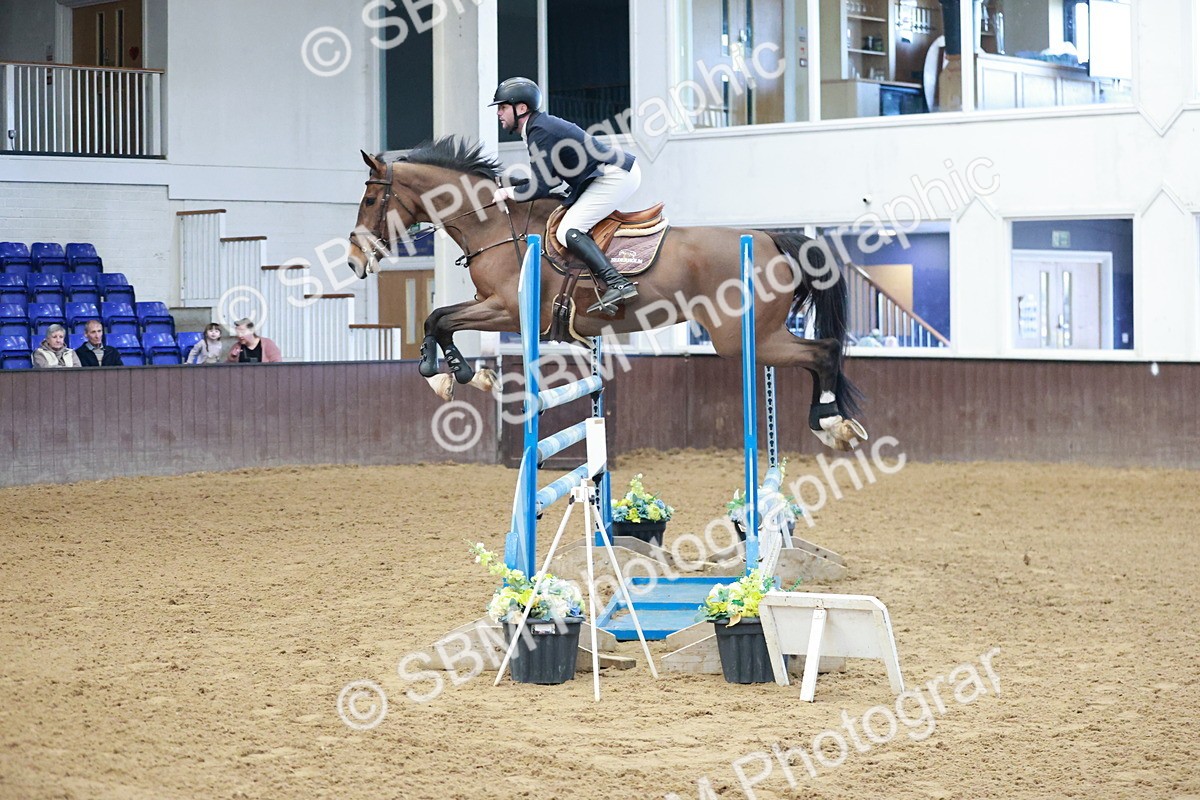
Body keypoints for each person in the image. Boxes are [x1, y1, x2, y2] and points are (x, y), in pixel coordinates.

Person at [488, 76, 641, 315]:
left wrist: (507, 192)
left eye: (503, 107)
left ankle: (618, 283)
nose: (499, 113)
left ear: (521, 108)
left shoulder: (540, 130)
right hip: (607, 173)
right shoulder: (538, 127)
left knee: (568, 230)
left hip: (614, 175)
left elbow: (541, 187)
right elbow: (550, 181)